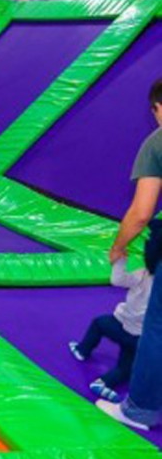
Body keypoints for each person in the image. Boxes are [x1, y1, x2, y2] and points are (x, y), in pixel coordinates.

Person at [97, 77, 162, 430]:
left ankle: (139, 411)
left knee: (158, 328)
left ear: (157, 109)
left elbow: (141, 213)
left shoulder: (157, 142)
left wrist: (118, 246)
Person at [70, 221, 159, 401]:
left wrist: (120, 260)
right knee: (125, 368)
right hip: (140, 339)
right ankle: (104, 382)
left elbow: (117, 280)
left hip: (121, 325)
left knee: (99, 323)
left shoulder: (143, 274)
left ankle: (82, 350)